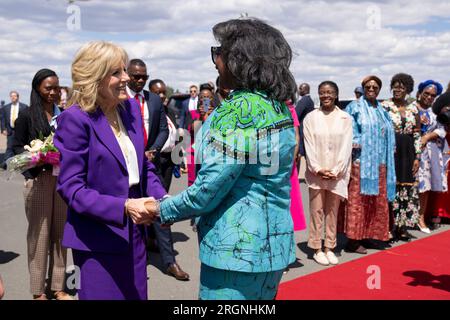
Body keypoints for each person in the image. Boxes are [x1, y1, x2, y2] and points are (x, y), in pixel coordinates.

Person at [146, 18, 298, 300]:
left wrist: (159, 210)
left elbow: (208, 190)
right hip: (274, 246)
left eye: (220, 52)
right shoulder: (279, 107)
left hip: (236, 251)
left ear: (239, 59)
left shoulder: (236, 112)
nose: (216, 61)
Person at [54, 41, 166, 300]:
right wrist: (124, 207)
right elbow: (72, 189)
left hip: (135, 235)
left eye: (124, 70)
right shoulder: (75, 119)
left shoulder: (130, 112)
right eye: (117, 72)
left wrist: (165, 200)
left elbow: (143, 166)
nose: (126, 77)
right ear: (95, 77)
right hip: (98, 241)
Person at [12, 69, 71, 300]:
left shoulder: (64, 115)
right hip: (38, 181)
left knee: (60, 236)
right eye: (48, 88)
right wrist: (33, 162)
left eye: (56, 88)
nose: (53, 92)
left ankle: (57, 287)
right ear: (37, 88)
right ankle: (38, 292)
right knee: (39, 237)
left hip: (62, 181)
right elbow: (16, 148)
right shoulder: (27, 116)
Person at [341, 75, 396, 254]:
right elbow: (348, 130)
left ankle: (367, 235)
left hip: (380, 163)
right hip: (361, 163)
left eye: (375, 87)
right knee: (358, 202)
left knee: (374, 203)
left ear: (379, 89)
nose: (371, 89)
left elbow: (388, 132)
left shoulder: (382, 109)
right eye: (368, 87)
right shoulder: (354, 107)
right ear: (363, 88)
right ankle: (353, 241)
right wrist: (362, 141)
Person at [303, 81, 353, 265]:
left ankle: (330, 247)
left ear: (336, 94)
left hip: (337, 173)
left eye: (330, 92)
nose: (326, 96)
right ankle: (317, 247)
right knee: (316, 211)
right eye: (322, 92)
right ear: (318, 94)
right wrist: (317, 168)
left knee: (332, 211)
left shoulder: (346, 118)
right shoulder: (310, 118)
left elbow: (347, 146)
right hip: (316, 173)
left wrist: (337, 170)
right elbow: (308, 145)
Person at [146, 78, 190, 281]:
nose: (162, 96)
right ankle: (170, 261)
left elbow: (176, 137)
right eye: (158, 92)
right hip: (151, 162)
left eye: (164, 92)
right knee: (161, 208)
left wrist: (178, 160)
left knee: (158, 203)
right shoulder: (147, 111)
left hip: (166, 162)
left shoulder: (169, 111)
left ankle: (151, 240)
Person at [381, 73, 420, 241]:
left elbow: (417, 134)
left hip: (408, 151)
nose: (398, 89)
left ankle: (402, 226)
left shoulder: (413, 108)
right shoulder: (385, 106)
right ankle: (389, 227)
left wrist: (417, 156)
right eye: (395, 86)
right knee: (391, 188)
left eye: (402, 87)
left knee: (406, 188)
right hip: (391, 151)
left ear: (408, 90)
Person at [413, 80, 446, 233]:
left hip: (428, 153)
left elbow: (442, 130)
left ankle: (421, 217)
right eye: (426, 93)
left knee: (424, 186)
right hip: (410, 152)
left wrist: (427, 137)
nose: (429, 97)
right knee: (408, 185)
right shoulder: (411, 108)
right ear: (419, 93)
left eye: (433, 95)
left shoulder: (435, 113)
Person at [1, 91, 28, 168]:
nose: (13, 97)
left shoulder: (24, 107)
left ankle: (20, 164)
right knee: (9, 146)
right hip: (10, 130)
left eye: (14, 96)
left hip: (21, 131)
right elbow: (3, 119)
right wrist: (3, 129)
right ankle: (6, 163)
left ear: (18, 97)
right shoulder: (5, 107)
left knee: (20, 147)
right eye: (11, 96)